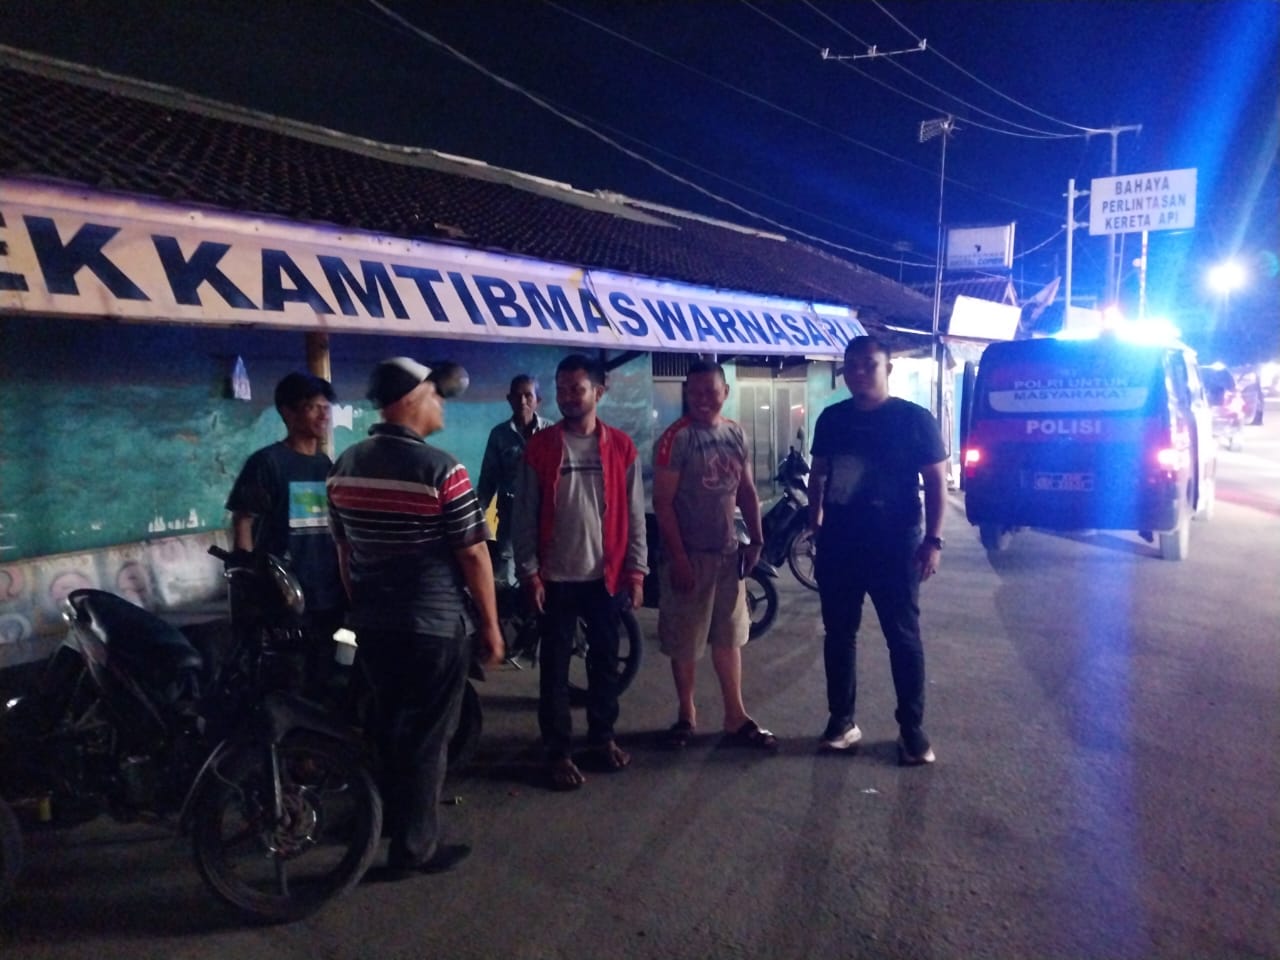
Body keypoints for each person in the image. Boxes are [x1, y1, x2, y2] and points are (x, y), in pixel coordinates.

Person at [327, 357, 503, 878]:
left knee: (389, 727)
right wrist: (491, 625)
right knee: (427, 737)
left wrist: (363, 605)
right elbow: (473, 554)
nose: (441, 402)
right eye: (435, 394)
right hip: (433, 627)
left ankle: (380, 821)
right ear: (409, 400)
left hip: (374, 626)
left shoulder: (344, 466)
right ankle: (414, 848)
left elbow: (344, 553)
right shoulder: (442, 470)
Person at [808, 336, 948, 766]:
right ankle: (841, 722)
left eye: (869, 364)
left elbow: (936, 483)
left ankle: (912, 730)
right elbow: (819, 474)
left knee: (902, 637)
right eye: (851, 365)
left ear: (888, 368)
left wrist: (933, 541)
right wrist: (816, 524)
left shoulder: (914, 420)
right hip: (840, 545)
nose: (859, 372)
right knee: (839, 635)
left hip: (896, 546)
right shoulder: (832, 419)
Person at [512, 353, 647, 791]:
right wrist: (529, 573)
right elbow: (524, 515)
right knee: (553, 670)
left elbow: (634, 515)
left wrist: (636, 571)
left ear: (598, 392)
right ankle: (557, 752)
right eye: (562, 389)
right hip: (554, 580)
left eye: (578, 388)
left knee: (604, 663)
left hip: (604, 578)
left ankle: (602, 738)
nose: (568, 396)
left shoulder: (622, 447)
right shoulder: (540, 448)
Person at [652, 360, 776, 751]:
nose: (703, 399)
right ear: (686, 393)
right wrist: (679, 559)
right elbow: (663, 504)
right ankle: (686, 714)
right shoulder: (676, 439)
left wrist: (756, 540)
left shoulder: (735, 433)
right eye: (695, 392)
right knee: (686, 640)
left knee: (729, 636)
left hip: (727, 554)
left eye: (711, 391)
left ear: (726, 392)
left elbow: (747, 492)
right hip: (689, 556)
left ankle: (735, 715)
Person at [225, 372, 345, 685]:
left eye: (326, 408)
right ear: (288, 413)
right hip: (285, 595)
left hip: (327, 591)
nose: (323, 415)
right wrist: (249, 576)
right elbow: (243, 519)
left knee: (326, 674)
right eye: (312, 407)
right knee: (287, 677)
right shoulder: (267, 463)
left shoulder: (325, 465)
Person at [477, 374, 551, 585]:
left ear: (538, 400)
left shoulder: (550, 432)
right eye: (517, 396)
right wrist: (476, 518)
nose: (522, 401)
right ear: (509, 399)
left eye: (528, 395)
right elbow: (488, 479)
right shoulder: (499, 435)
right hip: (510, 517)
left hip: (544, 517)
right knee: (506, 573)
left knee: (545, 570)